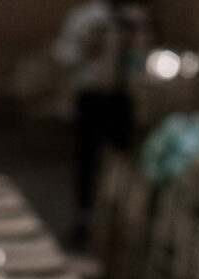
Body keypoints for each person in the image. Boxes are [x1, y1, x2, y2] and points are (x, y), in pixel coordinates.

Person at [53, 0, 153, 244]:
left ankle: (118, 224)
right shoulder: (86, 16)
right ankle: (84, 218)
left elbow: (143, 61)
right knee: (87, 162)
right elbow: (61, 53)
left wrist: (134, 50)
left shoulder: (137, 18)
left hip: (121, 99)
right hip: (91, 98)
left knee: (120, 164)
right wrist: (86, 48)